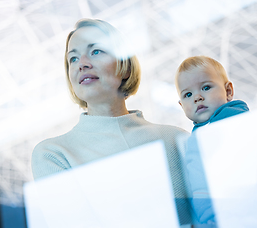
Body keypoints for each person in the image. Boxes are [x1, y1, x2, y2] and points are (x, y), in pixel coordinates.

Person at [31, 18, 192, 225]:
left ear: (124, 67)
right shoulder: (53, 154)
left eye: (96, 51)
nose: (82, 64)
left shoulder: (175, 139)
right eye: (73, 59)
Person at [174, 55, 250, 225]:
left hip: (233, 213)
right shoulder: (201, 132)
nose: (197, 97)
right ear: (181, 105)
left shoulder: (232, 120)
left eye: (206, 87)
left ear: (228, 91)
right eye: (188, 94)